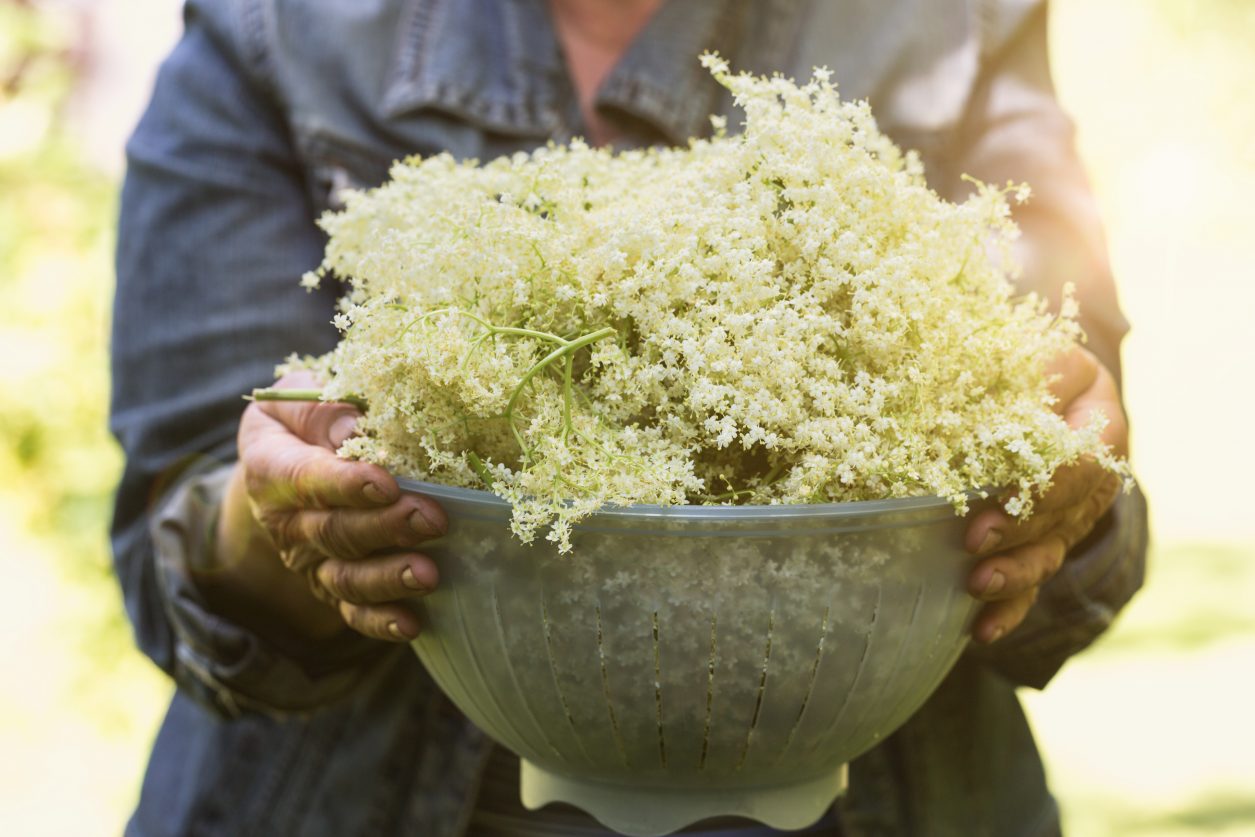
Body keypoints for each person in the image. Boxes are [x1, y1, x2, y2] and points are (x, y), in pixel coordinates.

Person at [110, 1, 1148, 834]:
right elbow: (177, 565)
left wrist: (1057, 481)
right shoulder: (274, 29)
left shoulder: (953, 22)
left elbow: (1082, 504)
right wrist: (279, 514)